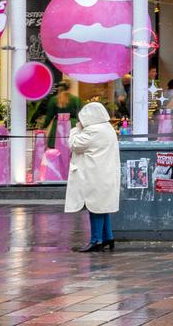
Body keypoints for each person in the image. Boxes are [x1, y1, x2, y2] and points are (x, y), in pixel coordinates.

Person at [65, 100, 120, 253]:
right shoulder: (108, 128)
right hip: (105, 173)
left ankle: (96, 240)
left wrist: (75, 130)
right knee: (102, 207)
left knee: (94, 207)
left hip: (94, 174)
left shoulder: (93, 131)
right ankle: (107, 236)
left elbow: (74, 144)